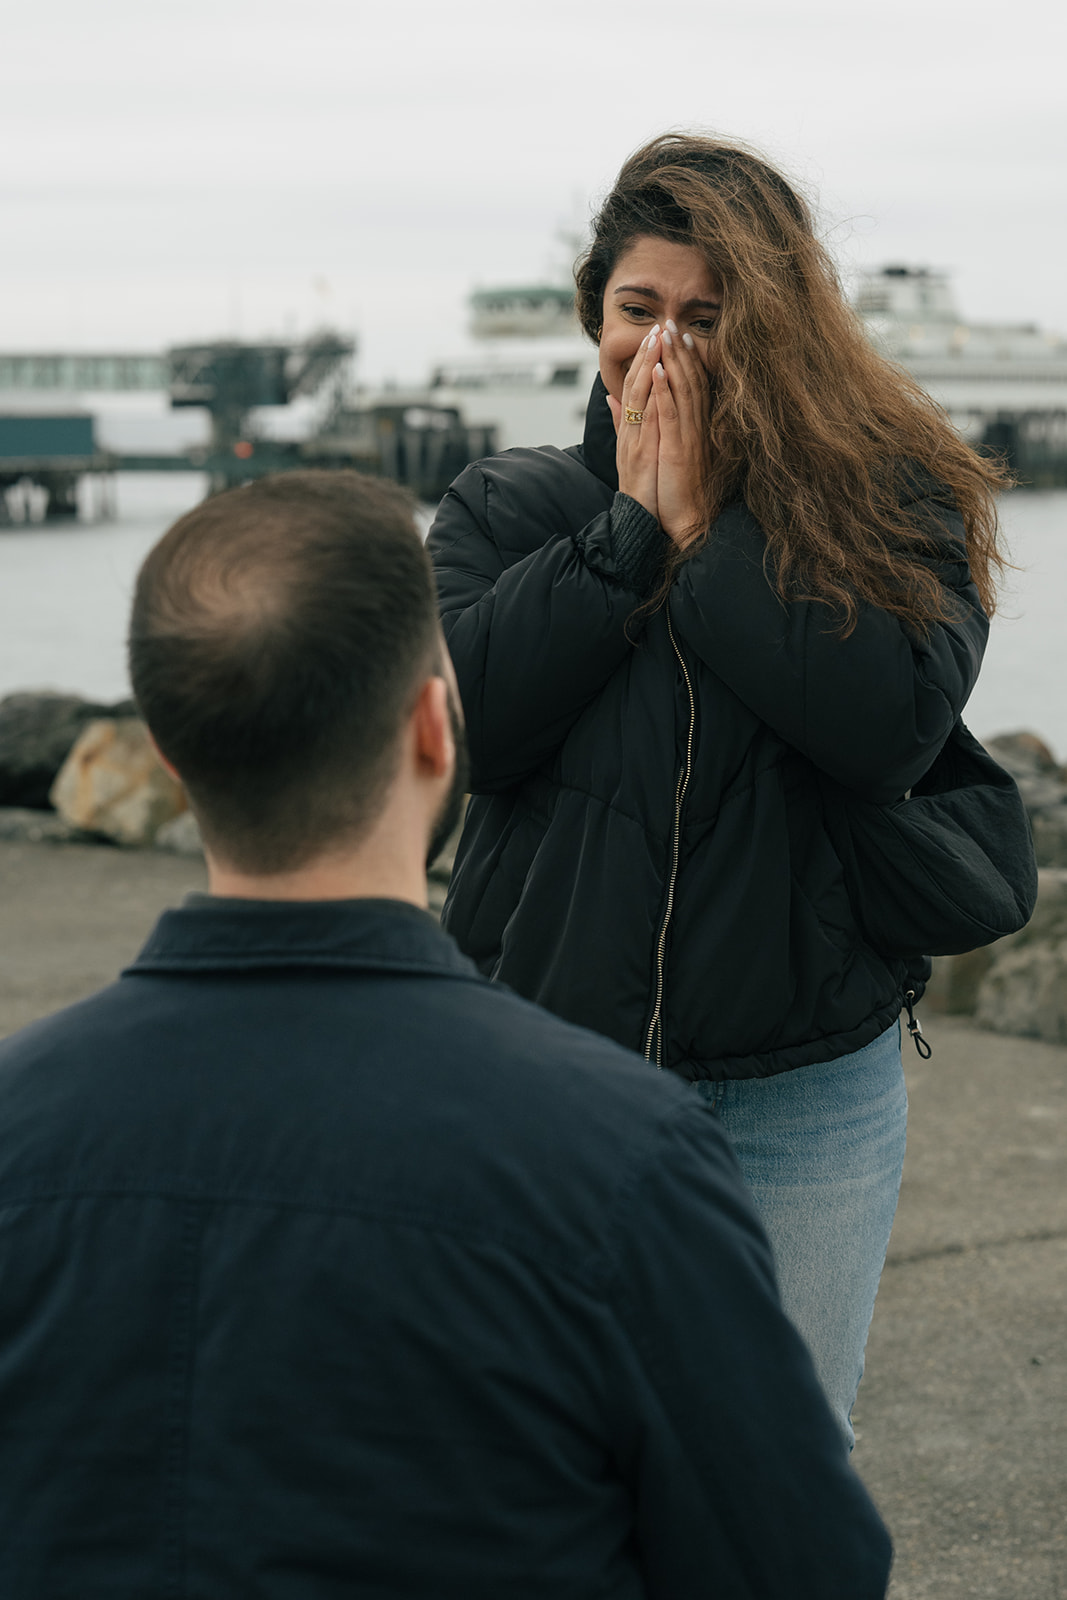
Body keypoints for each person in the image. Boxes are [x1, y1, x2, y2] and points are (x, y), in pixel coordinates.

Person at [0, 469, 891, 1598]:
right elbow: (802, 1566)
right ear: (435, 727)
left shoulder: (17, 1131)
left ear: (171, 758)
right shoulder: (617, 1157)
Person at [429, 134, 1007, 1444]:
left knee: (776, 1474)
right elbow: (465, 733)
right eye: (637, 313)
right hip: (540, 1068)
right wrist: (627, 532)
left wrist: (708, 535)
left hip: (801, 1087)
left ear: (776, 330)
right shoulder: (506, 505)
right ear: (593, 319)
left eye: (707, 318)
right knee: (533, 1468)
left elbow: (885, 734)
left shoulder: (890, 504)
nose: (664, 350)